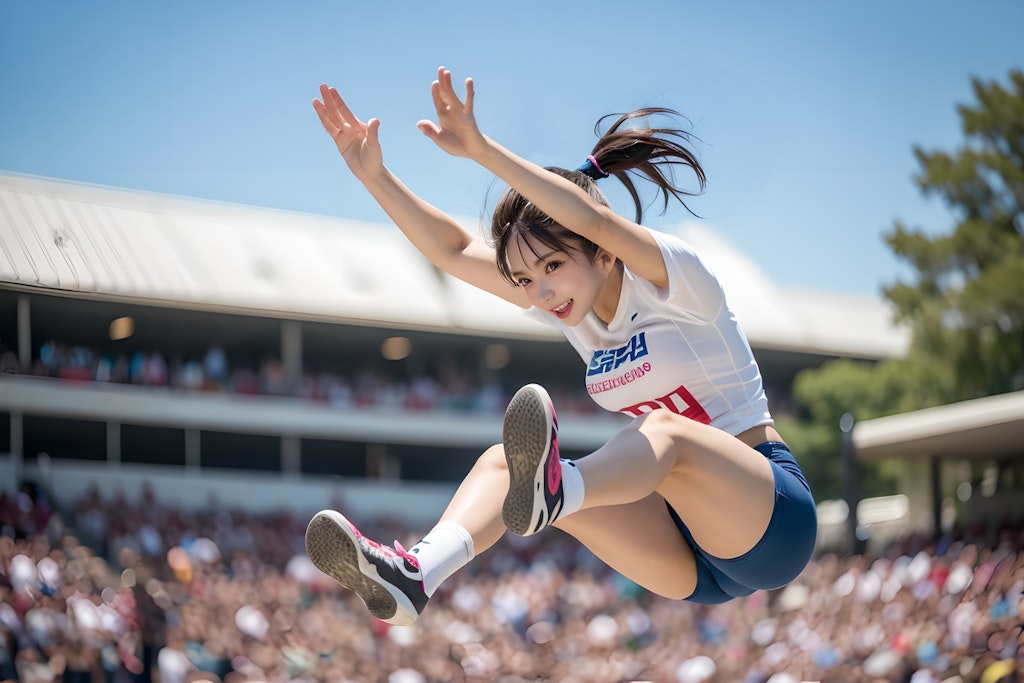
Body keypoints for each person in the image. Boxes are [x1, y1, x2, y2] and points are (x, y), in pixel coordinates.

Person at [305, 67, 818, 626]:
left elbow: (590, 217)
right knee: (503, 464)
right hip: (687, 554)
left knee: (661, 431)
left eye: (553, 266)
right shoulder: (569, 308)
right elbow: (451, 252)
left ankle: (558, 489)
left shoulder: (676, 282)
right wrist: (374, 176)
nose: (542, 292)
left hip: (771, 520)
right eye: (525, 280)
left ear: (600, 252)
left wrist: (482, 151)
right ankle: (415, 574)